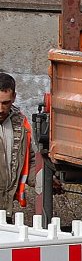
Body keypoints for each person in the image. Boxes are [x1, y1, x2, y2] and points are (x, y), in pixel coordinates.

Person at [0, 72, 33, 218]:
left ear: (14, 97)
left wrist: (45, 181)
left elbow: (30, 160)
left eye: (5, 103)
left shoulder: (21, 124)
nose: (0, 109)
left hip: (5, 208)